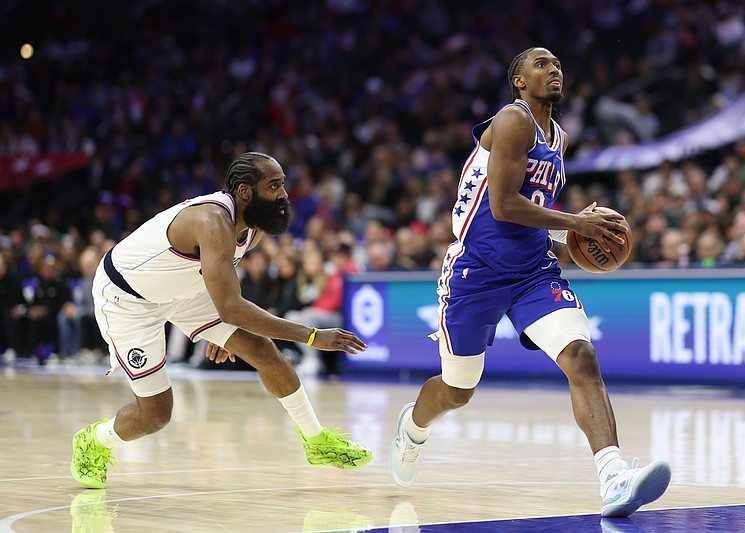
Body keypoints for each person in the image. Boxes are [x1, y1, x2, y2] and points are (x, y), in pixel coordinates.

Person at [388, 47, 671, 518]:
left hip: (531, 271)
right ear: (519, 81)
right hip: (475, 272)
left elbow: (532, 208)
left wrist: (571, 237)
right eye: (540, 64)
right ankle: (413, 428)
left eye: (557, 63)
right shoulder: (512, 120)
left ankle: (614, 477)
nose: (553, 68)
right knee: (459, 388)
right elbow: (502, 206)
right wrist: (576, 224)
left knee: (581, 356)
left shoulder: (557, 136)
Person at [71, 152, 374, 490]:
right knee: (156, 414)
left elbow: (225, 285)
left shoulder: (253, 228)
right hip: (128, 299)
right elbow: (232, 307)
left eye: (283, 185)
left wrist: (217, 329)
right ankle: (95, 440)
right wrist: (313, 336)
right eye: (274, 186)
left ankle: (317, 442)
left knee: (263, 349)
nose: (284, 194)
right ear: (246, 191)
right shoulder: (212, 221)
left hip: (187, 288)